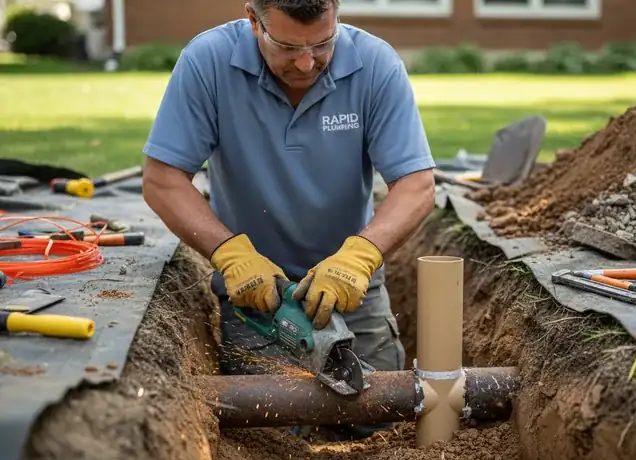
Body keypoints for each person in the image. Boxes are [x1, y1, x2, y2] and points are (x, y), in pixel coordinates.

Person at [140, 0, 436, 440]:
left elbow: (417, 184)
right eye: (287, 46)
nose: (306, 61)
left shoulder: (375, 65)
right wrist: (231, 254)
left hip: (352, 295)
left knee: (378, 428)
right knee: (266, 435)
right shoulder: (208, 62)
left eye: (322, 43)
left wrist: (360, 257)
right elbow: (163, 179)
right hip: (257, 302)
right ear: (252, 21)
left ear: (336, 12)